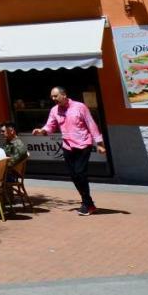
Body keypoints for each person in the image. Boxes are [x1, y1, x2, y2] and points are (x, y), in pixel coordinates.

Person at [33, 86, 106, 215]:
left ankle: (86, 204)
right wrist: (42, 130)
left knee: (80, 173)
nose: (53, 99)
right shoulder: (55, 110)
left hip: (83, 144)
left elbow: (91, 124)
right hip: (67, 145)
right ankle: (88, 203)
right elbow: (50, 125)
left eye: (55, 96)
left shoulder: (80, 107)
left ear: (64, 95)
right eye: (52, 97)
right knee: (73, 175)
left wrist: (100, 144)